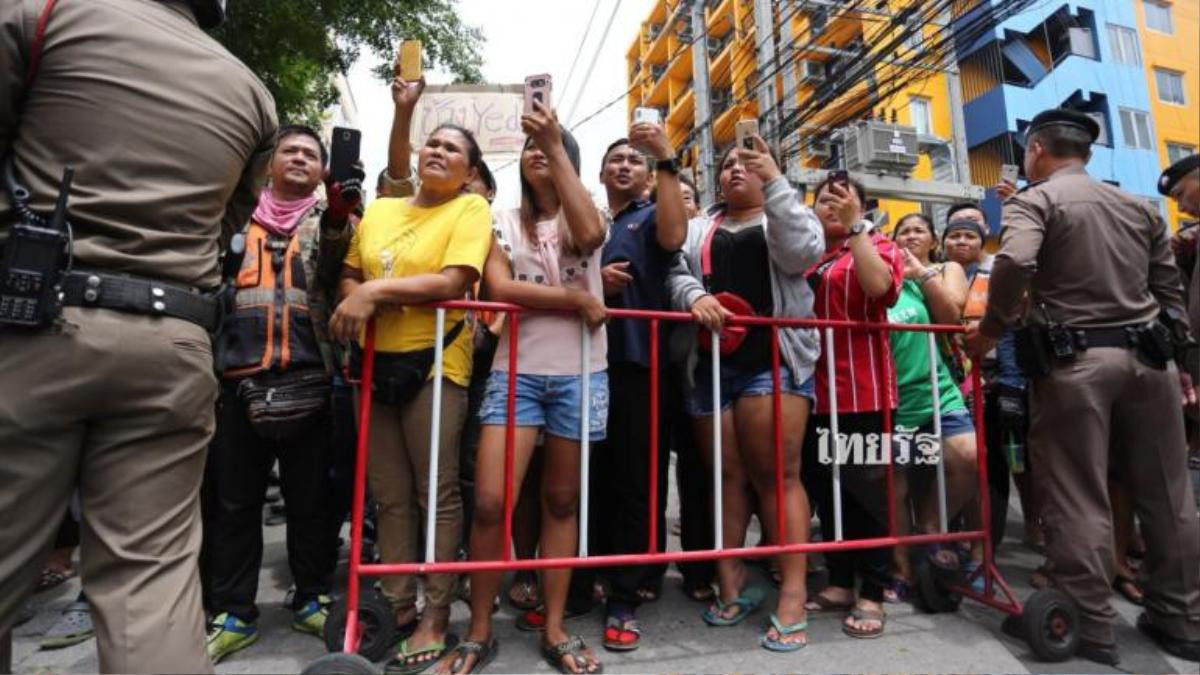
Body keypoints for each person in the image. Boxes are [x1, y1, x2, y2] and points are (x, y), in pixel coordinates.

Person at [0, 1, 276, 672]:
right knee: (150, 588)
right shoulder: (249, 90)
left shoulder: (43, 17)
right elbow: (226, 223)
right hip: (173, 342)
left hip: (33, 325)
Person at [966, 108, 1200, 665]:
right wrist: (1182, 359)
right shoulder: (1140, 206)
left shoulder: (1035, 200)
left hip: (1077, 365)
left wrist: (992, 329)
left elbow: (1016, 260)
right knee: (1169, 495)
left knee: (1077, 491)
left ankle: (1088, 623)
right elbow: (1169, 291)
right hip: (1152, 363)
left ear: (1038, 150)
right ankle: (1184, 619)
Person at [433, 102, 608, 675]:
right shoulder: (501, 219)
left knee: (561, 501)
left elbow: (588, 235)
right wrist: (577, 300)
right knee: (489, 505)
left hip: (583, 374)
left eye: (551, 146)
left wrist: (556, 146)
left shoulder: (589, 208)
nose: (537, 150)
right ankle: (479, 630)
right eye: (530, 147)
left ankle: (555, 628)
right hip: (517, 376)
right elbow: (503, 288)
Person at [330, 123, 492, 672]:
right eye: (434, 143)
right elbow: (350, 275)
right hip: (374, 364)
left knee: (436, 492)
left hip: (436, 365)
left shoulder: (469, 211)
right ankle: (397, 604)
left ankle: (437, 613)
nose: (438, 152)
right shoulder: (380, 210)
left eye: (453, 148)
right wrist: (361, 295)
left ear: (470, 172)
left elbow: (453, 281)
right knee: (388, 494)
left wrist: (378, 292)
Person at [200, 125, 362, 663]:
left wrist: (339, 213)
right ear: (269, 165)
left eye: (310, 154)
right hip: (235, 383)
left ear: (322, 170)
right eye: (289, 151)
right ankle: (233, 613)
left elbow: (340, 255)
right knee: (233, 504)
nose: (299, 158)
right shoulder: (233, 219)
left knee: (310, 502)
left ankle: (312, 598)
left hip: (311, 381)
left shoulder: (331, 221)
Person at [669, 137, 824, 651]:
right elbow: (675, 270)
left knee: (777, 476)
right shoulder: (698, 226)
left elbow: (804, 252)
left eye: (747, 162)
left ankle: (793, 595)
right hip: (712, 366)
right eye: (729, 163)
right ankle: (731, 583)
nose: (735, 168)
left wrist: (777, 184)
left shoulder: (786, 213)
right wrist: (695, 295)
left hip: (774, 362)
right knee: (727, 477)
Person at [589, 128, 688, 651]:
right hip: (584, 363)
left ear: (649, 176)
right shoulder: (592, 222)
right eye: (615, 160)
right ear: (601, 174)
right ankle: (600, 571)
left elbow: (674, 238)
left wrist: (667, 158)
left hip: (638, 360)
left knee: (635, 479)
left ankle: (624, 595)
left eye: (634, 160)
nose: (624, 165)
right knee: (595, 477)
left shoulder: (653, 213)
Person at [801, 176, 903, 640]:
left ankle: (875, 591)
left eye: (843, 199)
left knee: (867, 493)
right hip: (810, 391)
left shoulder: (878, 243)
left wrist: (856, 228)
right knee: (826, 491)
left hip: (864, 392)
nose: (831, 205)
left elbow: (880, 289)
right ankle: (840, 581)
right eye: (824, 199)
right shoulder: (806, 254)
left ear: (862, 208)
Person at [886, 214, 978, 597]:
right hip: (893, 399)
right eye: (902, 231)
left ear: (933, 240)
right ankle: (902, 569)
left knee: (968, 457)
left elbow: (952, 312)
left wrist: (919, 272)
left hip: (940, 390)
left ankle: (930, 527)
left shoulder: (941, 270)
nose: (910, 236)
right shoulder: (883, 277)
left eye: (918, 230)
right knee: (894, 485)